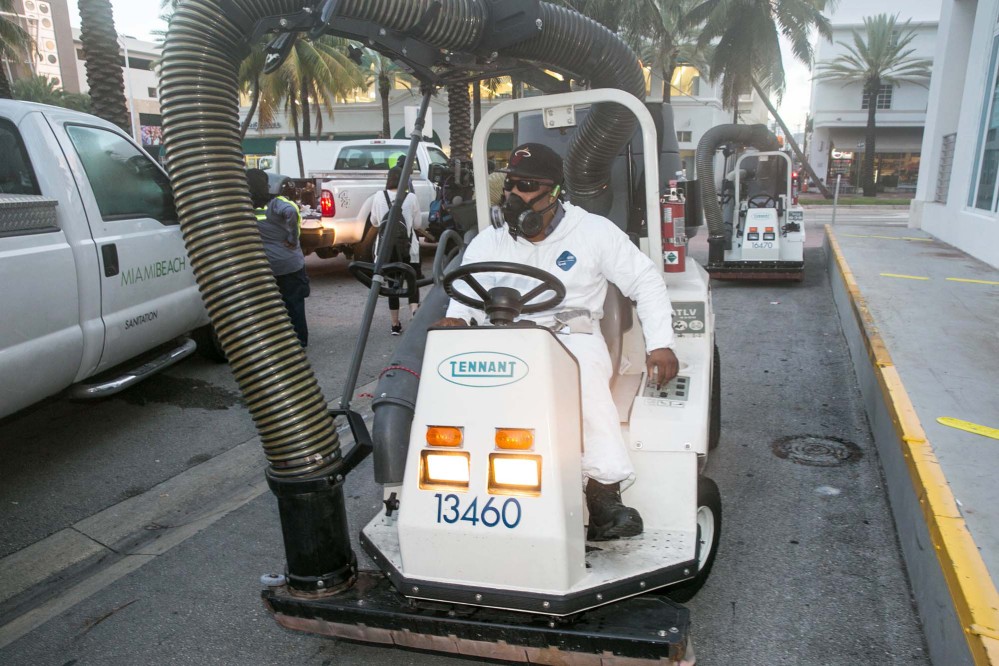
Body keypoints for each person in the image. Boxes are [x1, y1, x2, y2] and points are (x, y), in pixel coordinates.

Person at [436, 143, 679, 541]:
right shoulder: (491, 241)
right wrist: (457, 320)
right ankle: (454, 484)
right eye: (511, 185)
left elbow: (646, 281)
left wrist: (661, 343)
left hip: (571, 336)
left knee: (581, 379)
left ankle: (603, 494)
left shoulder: (593, 232)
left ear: (555, 192)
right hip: (502, 335)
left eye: (528, 186)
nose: (515, 196)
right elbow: (464, 298)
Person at [246, 169, 310, 347]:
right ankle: (299, 341)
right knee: (294, 303)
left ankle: (276, 342)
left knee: (270, 306)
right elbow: (291, 211)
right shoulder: (276, 202)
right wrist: (292, 238)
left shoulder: (244, 207)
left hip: (265, 266)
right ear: (266, 185)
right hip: (289, 264)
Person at [370, 165, 423, 335]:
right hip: (409, 249)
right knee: (412, 281)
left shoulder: (379, 196)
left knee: (392, 284)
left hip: (387, 250)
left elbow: (375, 222)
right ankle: (414, 315)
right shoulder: (411, 197)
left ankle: (395, 324)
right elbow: (417, 225)